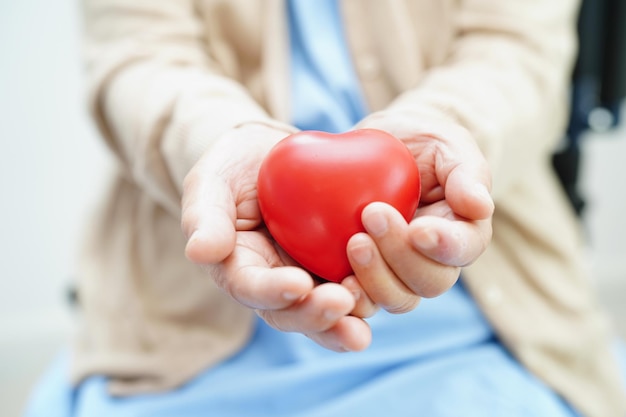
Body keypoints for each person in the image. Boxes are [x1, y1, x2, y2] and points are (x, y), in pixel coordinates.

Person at [24, 0, 626, 416]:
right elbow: (136, 58)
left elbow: (519, 56)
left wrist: (450, 131)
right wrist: (220, 139)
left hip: (478, 313)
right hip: (188, 320)